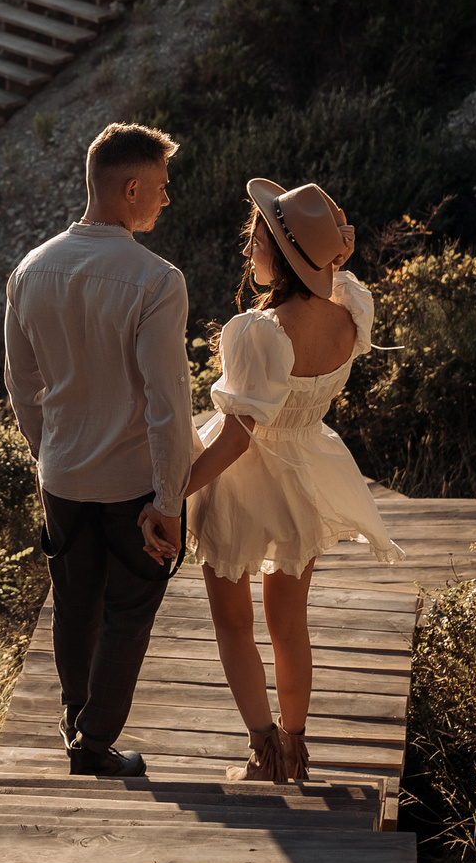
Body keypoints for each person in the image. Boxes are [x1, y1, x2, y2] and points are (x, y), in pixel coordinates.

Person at [161, 178, 398, 784]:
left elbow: (237, 437)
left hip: (241, 485)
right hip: (305, 477)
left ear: (284, 255)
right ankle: (294, 752)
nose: (249, 253)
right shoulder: (347, 310)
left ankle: (261, 753)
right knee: (290, 625)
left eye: (256, 242)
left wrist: (169, 495)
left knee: (233, 623)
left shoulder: (258, 331)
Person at [4, 122, 196, 778]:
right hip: (131, 484)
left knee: (74, 599)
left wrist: (47, 451)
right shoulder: (156, 281)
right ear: (132, 187)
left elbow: (20, 383)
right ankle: (92, 743)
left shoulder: (30, 269)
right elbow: (169, 404)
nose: (165, 201)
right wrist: (169, 500)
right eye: (161, 188)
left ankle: (74, 715)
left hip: (62, 474)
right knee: (129, 608)